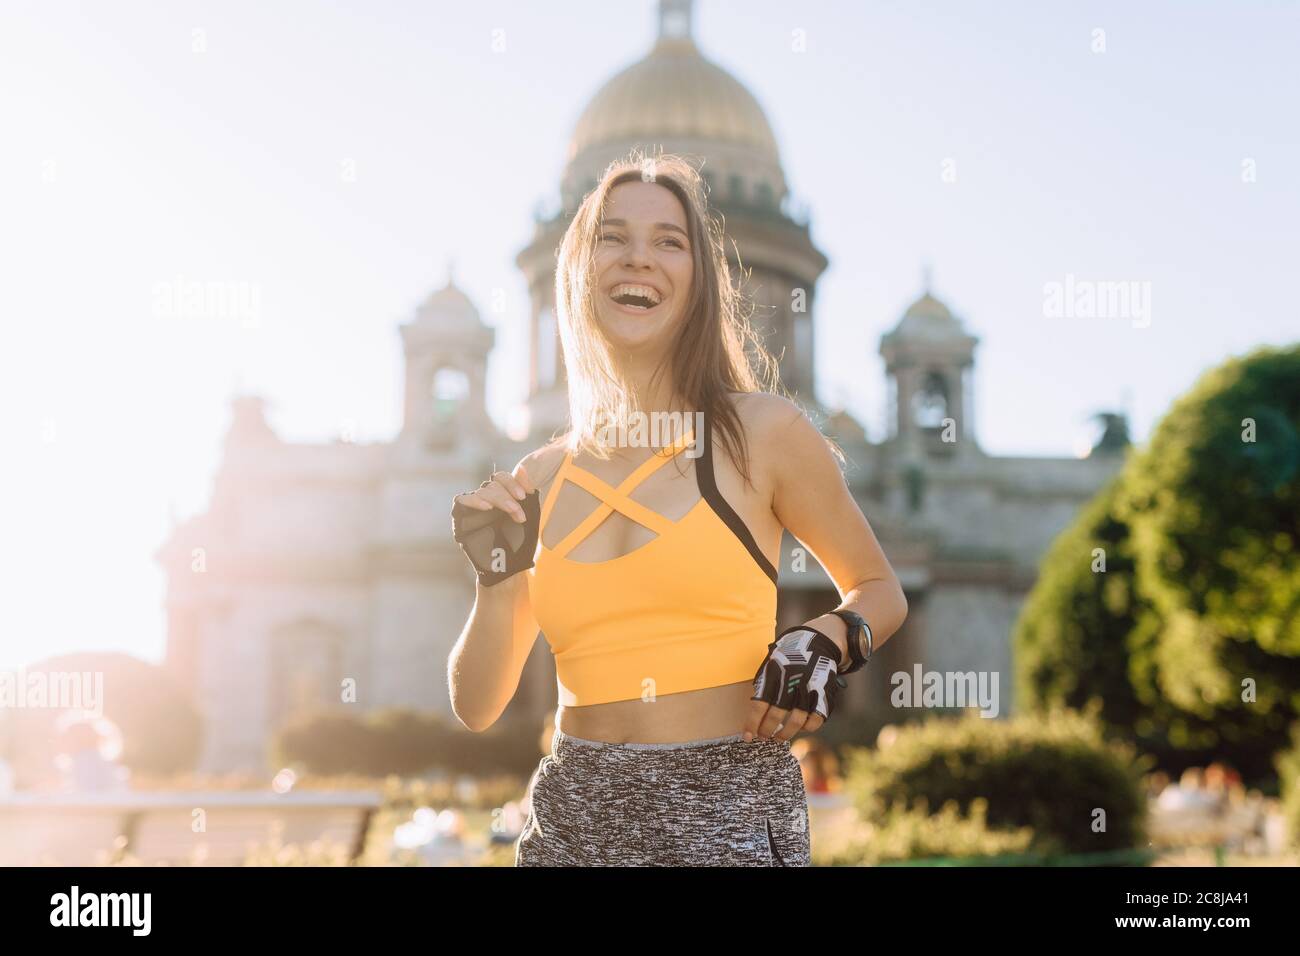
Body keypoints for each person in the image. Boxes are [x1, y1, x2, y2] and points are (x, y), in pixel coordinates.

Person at [447, 150, 908, 866]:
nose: (639, 260)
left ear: (701, 281)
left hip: (725, 811)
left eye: (669, 241)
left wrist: (823, 639)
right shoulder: (539, 476)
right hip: (572, 821)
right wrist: (495, 576)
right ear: (576, 270)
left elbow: (880, 590)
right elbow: (476, 708)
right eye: (612, 237)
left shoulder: (765, 433)